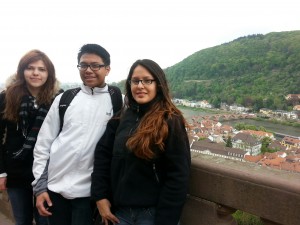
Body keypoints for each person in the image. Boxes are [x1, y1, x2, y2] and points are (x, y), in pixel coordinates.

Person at [91, 59, 191, 225]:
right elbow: (103, 156)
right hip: (119, 213)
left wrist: (165, 221)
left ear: (158, 84)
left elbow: (178, 175)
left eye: (147, 80)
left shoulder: (170, 120)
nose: (140, 86)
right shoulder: (121, 118)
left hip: (152, 215)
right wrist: (100, 196)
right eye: (135, 81)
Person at [32, 44, 122, 225]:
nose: (88, 70)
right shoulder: (65, 99)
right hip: (55, 189)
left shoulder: (116, 99)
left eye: (95, 65)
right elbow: (43, 143)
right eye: (83, 65)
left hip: (89, 194)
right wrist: (40, 187)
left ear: (107, 69)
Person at [0, 49, 61, 225]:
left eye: (42, 69)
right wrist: (1, 172)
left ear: (49, 73)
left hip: (47, 172)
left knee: (45, 220)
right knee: (22, 220)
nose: (35, 73)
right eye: (30, 68)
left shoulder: (57, 99)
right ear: (22, 71)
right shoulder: (7, 97)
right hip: (16, 170)